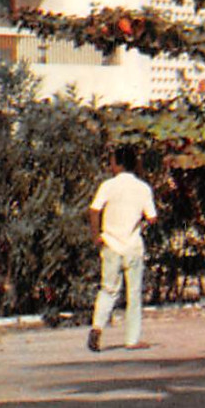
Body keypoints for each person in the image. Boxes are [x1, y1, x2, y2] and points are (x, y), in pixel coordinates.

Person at [86, 146, 158, 353]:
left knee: (108, 289)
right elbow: (152, 217)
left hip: (110, 243)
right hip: (133, 245)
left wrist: (96, 236)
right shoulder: (143, 188)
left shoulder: (108, 185)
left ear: (117, 164)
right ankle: (132, 339)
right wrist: (139, 224)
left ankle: (97, 327)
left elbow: (94, 210)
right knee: (134, 293)